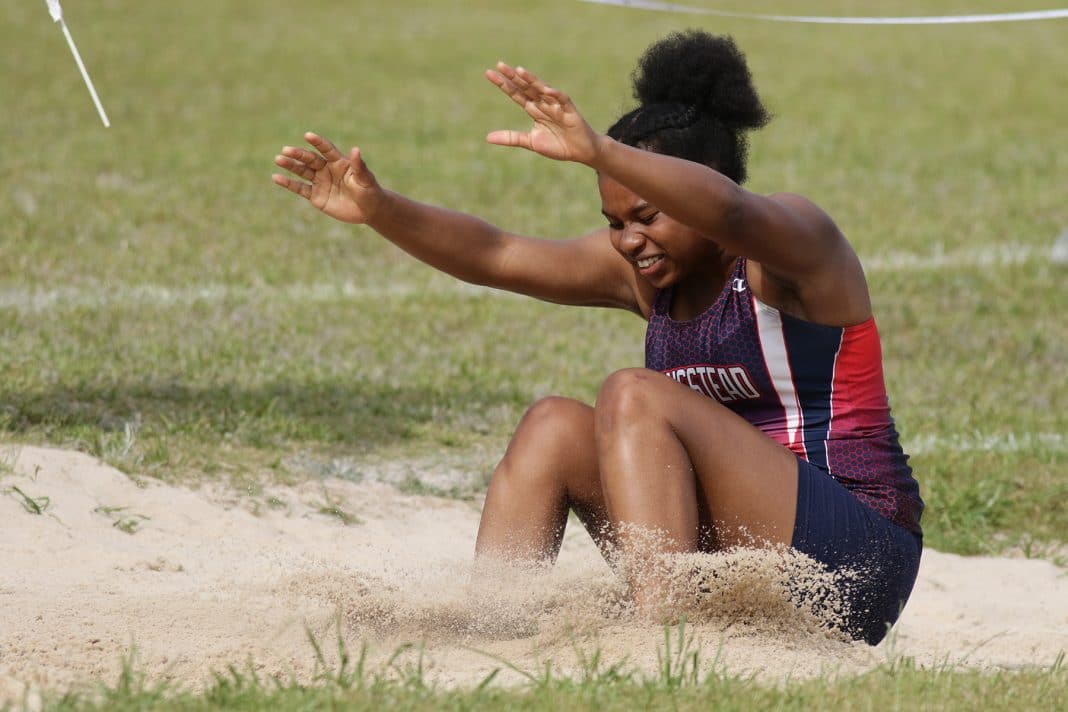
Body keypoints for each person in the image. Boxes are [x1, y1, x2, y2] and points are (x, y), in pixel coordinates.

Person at [272, 30, 923, 645]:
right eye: (614, 221)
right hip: (742, 564)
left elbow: (729, 210)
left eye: (646, 215)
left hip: (858, 562)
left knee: (634, 394)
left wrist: (605, 152)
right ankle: (495, 626)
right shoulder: (647, 275)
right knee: (553, 425)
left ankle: (659, 642)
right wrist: (382, 210)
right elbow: (498, 253)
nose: (629, 240)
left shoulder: (795, 248)